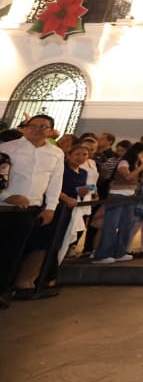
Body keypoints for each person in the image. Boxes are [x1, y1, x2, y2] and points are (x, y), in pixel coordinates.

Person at [0, 115, 65, 302]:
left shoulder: (56, 153)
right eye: (33, 125)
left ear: (50, 131)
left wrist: (50, 207)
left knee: (13, 252)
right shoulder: (7, 148)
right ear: (25, 128)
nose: (37, 129)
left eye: (43, 126)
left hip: (30, 209)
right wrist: (7, 196)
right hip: (4, 207)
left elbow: (55, 182)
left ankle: (3, 290)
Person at [93, 142, 143, 263]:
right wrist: (141, 166)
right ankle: (102, 255)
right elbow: (127, 177)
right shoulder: (124, 162)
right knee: (111, 226)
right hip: (118, 195)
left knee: (126, 225)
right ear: (137, 153)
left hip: (130, 196)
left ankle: (120, 252)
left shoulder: (137, 164)